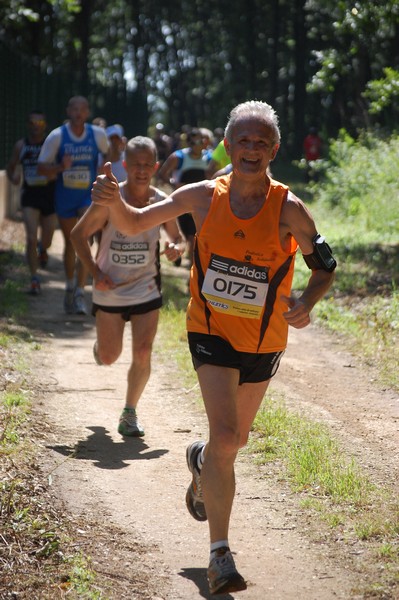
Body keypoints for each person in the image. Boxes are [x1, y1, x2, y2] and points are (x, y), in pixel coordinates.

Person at [91, 101, 336, 595]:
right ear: (228, 145)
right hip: (210, 331)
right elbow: (138, 221)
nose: (251, 149)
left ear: (274, 150)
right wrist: (112, 200)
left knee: (232, 443)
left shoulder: (289, 208)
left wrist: (307, 301)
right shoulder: (203, 196)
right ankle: (219, 554)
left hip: (264, 340)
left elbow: (325, 265)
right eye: (242, 140)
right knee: (228, 437)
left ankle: (202, 461)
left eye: (261, 142)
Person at [71, 136, 185, 437]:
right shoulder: (110, 199)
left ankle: (129, 412)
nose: (142, 170)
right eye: (136, 164)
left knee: (144, 351)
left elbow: (178, 237)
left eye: (149, 164)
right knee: (109, 356)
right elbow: (77, 235)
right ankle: (101, 348)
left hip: (146, 287)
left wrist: (175, 248)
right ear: (125, 165)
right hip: (110, 289)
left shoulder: (162, 201)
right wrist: (95, 272)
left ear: (156, 166)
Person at [37, 96, 109, 315]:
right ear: (68, 111)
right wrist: (61, 166)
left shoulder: (97, 135)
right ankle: (69, 286)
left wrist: (106, 165)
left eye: (82, 109)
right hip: (65, 197)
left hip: (87, 197)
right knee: (71, 244)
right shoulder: (57, 136)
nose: (78, 113)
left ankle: (80, 292)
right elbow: (41, 169)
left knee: (84, 241)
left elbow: (110, 155)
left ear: (87, 113)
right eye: (74, 109)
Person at [6, 110, 57, 295]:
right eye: (33, 122)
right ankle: (34, 278)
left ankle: (43, 250)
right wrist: (13, 178)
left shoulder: (50, 144)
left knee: (48, 237)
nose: (36, 126)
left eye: (40, 123)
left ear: (45, 125)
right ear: (28, 125)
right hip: (29, 195)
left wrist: (53, 172)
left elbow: (60, 167)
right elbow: (11, 166)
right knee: (30, 237)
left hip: (49, 194)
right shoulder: (21, 145)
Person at [157, 127, 211, 268]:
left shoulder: (209, 158)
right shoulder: (179, 157)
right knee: (184, 237)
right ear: (189, 143)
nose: (198, 144)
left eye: (201, 141)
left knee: (195, 238)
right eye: (194, 142)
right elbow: (162, 173)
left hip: (200, 204)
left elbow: (215, 177)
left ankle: (192, 275)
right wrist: (175, 185)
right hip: (182, 204)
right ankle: (178, 255)